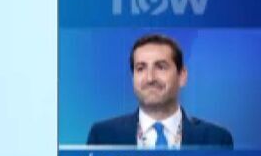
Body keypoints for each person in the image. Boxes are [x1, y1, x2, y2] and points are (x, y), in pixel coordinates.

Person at [86, 34, 233, 148]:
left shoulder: (216, 139)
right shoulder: (102, 136)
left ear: (182, 76)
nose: (150, 78)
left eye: (161, 67)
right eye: (141, 68)